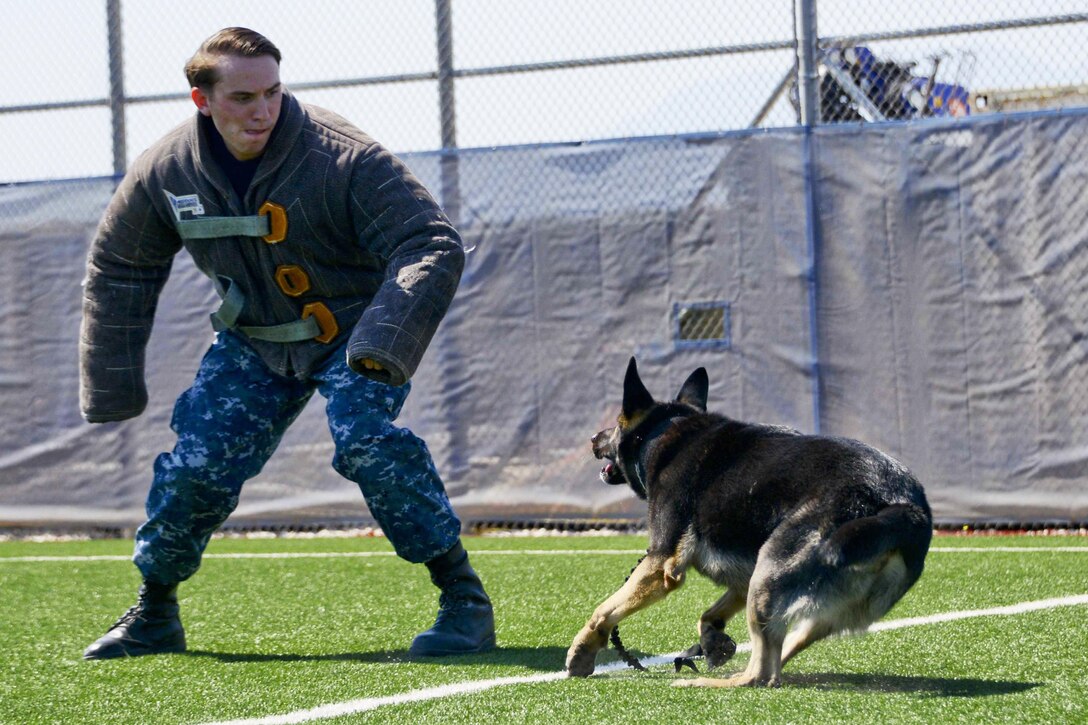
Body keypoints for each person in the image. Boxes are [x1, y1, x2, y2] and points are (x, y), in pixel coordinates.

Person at [79, 27, 493, 660]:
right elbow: (119, 265)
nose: (263, 110)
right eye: (243, 97)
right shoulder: (167, 171)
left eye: (273, 91)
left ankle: (464, 599)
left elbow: (429, 241)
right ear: (202, 100)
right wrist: (110, 382)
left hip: (357, 333)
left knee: (367, 441)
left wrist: (385, 339)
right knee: (197, 464)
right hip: (253, 343)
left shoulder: (343, 155)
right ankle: (155, 611)